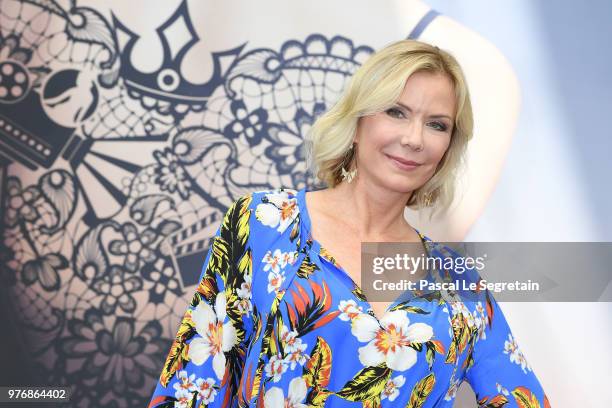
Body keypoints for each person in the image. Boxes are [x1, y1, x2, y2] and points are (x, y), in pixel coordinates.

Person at [148, 39, 549, 407]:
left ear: (447, 148)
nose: (414, 138)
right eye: (397, 112)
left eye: (437, 124)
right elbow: (191, 384)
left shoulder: (458, 284)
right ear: (357, 122)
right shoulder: (263, 223)